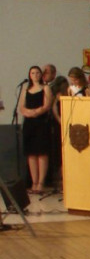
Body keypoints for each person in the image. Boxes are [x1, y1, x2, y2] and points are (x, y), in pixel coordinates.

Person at [18, 65, 53, 194]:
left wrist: (36, 112)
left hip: (41, 123)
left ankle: (41, 182)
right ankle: (34, 181)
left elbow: (47, 105)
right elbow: (21, 106)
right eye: (33, 73)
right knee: (31, 153)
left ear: (41, 75)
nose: (35, 75)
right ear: (29, 75)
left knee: (41, 152)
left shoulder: (46, 88)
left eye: (38, 72)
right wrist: (28, 112)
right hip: (29, 124)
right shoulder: (25, 89)